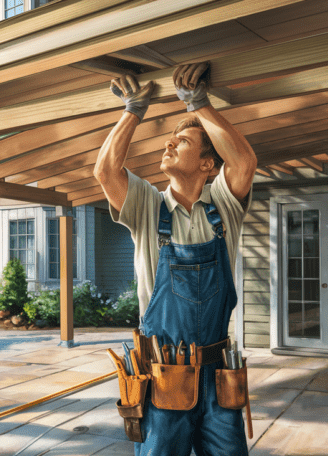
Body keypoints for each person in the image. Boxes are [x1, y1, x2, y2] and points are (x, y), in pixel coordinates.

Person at [93, 62, 257, 455]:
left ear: (207, 165)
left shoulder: (223, 207)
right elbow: (106, 171)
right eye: (170, 141)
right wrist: (132, 110)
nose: (168, 145)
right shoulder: (147, 206)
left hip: (219, 374)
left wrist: (198, 104)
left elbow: (244, 162)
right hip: (163, 375)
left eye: (181, 142)